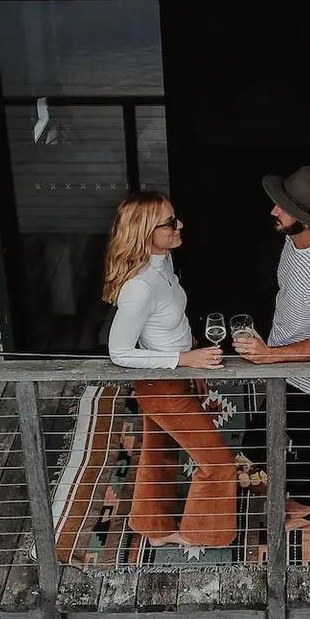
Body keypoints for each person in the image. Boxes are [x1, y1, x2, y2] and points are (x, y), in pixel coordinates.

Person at [104, 192, 237, 548]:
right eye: (171, 222)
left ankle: (154, 526)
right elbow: (119, 352)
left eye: (176, 218)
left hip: (174, 377)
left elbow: (166, 321)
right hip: (161, 385)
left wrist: (188, 347)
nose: (181, 225)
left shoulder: (162, 265)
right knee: (220, 464)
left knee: (159, 449)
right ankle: (201, 534)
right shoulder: (140, 288)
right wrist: (183, 360)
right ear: (148, 231)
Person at [234, 166, 310, 530]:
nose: (274, 211)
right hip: (282, 353)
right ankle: (253, 460)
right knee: (278, 418)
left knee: (300, 426)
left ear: (303, 218)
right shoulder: (293, 240)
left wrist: (271, 356)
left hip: (306, 365)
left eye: (283, 208)